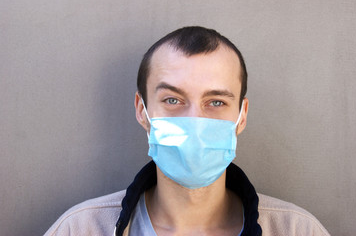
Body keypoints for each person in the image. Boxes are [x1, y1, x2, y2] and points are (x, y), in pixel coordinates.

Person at [45, 26, 330, 236]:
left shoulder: (297, 230)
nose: (194, 120)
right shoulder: (80, 229)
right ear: (142, 110)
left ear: (242, 116)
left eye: (216, 102)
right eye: (173, 100)